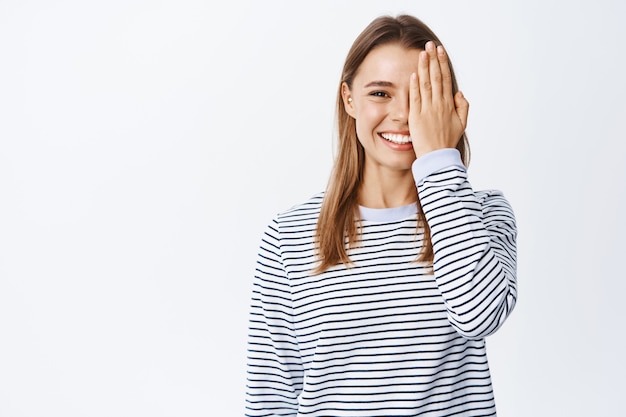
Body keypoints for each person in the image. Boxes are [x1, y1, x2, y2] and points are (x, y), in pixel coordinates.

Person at [245, 14, 517, 417]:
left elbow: (481, 315)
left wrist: (440, 160)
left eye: (421, 96)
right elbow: (271, 398)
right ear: (349, 99)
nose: (404, 116)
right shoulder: (289, 235)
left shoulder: (483, 213)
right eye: (380, 94)